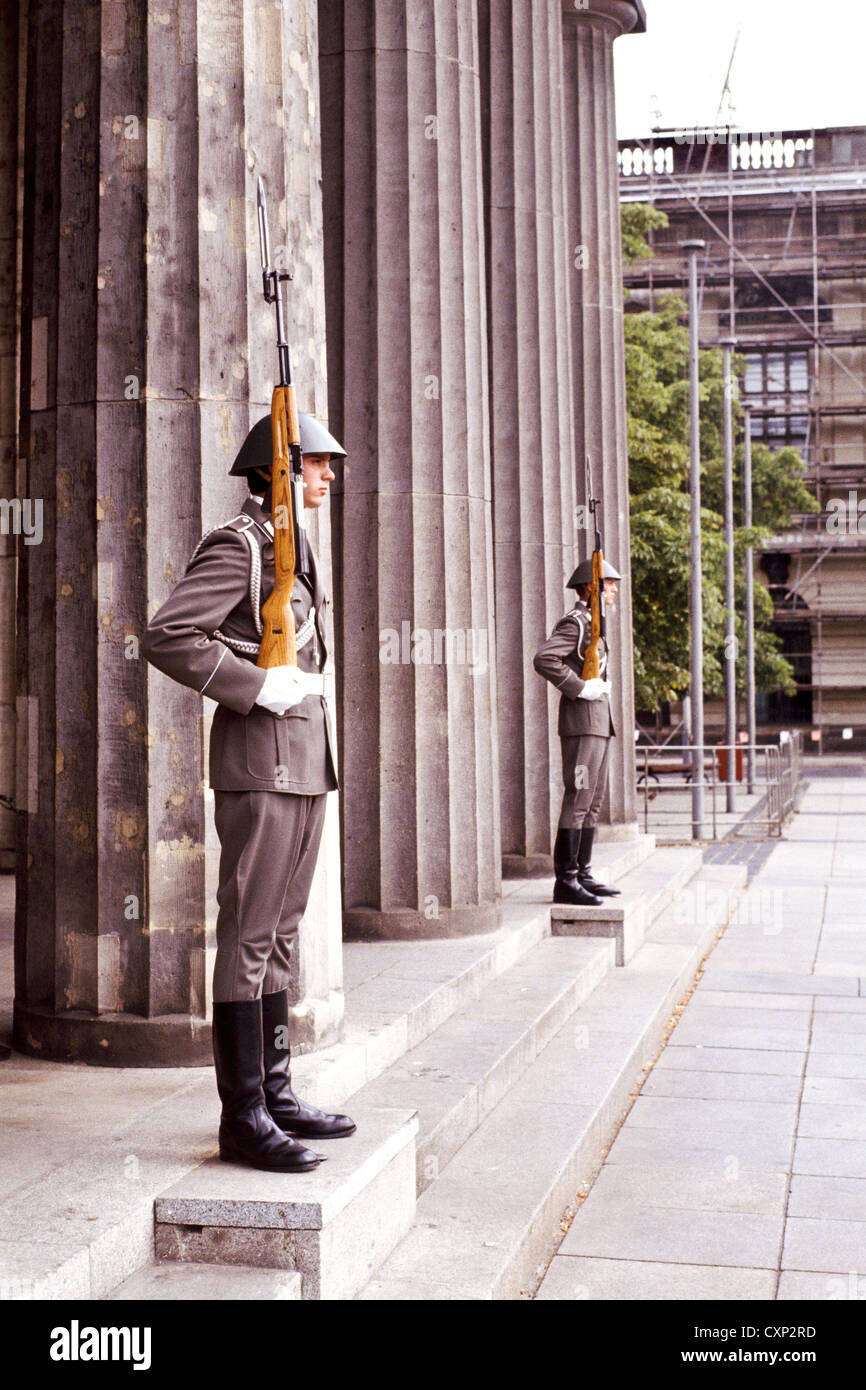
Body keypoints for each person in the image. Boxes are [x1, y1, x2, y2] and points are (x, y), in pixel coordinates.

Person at [142, 412, 355, 1173]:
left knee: (285, 934)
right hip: (259, 759)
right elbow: (167, 635)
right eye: (317, 465)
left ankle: (276, 1090)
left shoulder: (293, 553)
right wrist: (253, 686)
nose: (330, 476)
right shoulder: (238, 547)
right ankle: (244, 1119)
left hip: (303, 760)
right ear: (277, 469)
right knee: (250, 935)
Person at [533, 558, 623, 906]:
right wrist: (578, 687)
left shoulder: (593, 624)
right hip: (582, 721)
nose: (614, 589)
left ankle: (582, 873)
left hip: (598, 722)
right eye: (609, 583)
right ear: (591, 586)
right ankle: (566, 881)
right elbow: (544, 659)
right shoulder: (575, 624)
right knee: (579, 799)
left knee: (593, 802)